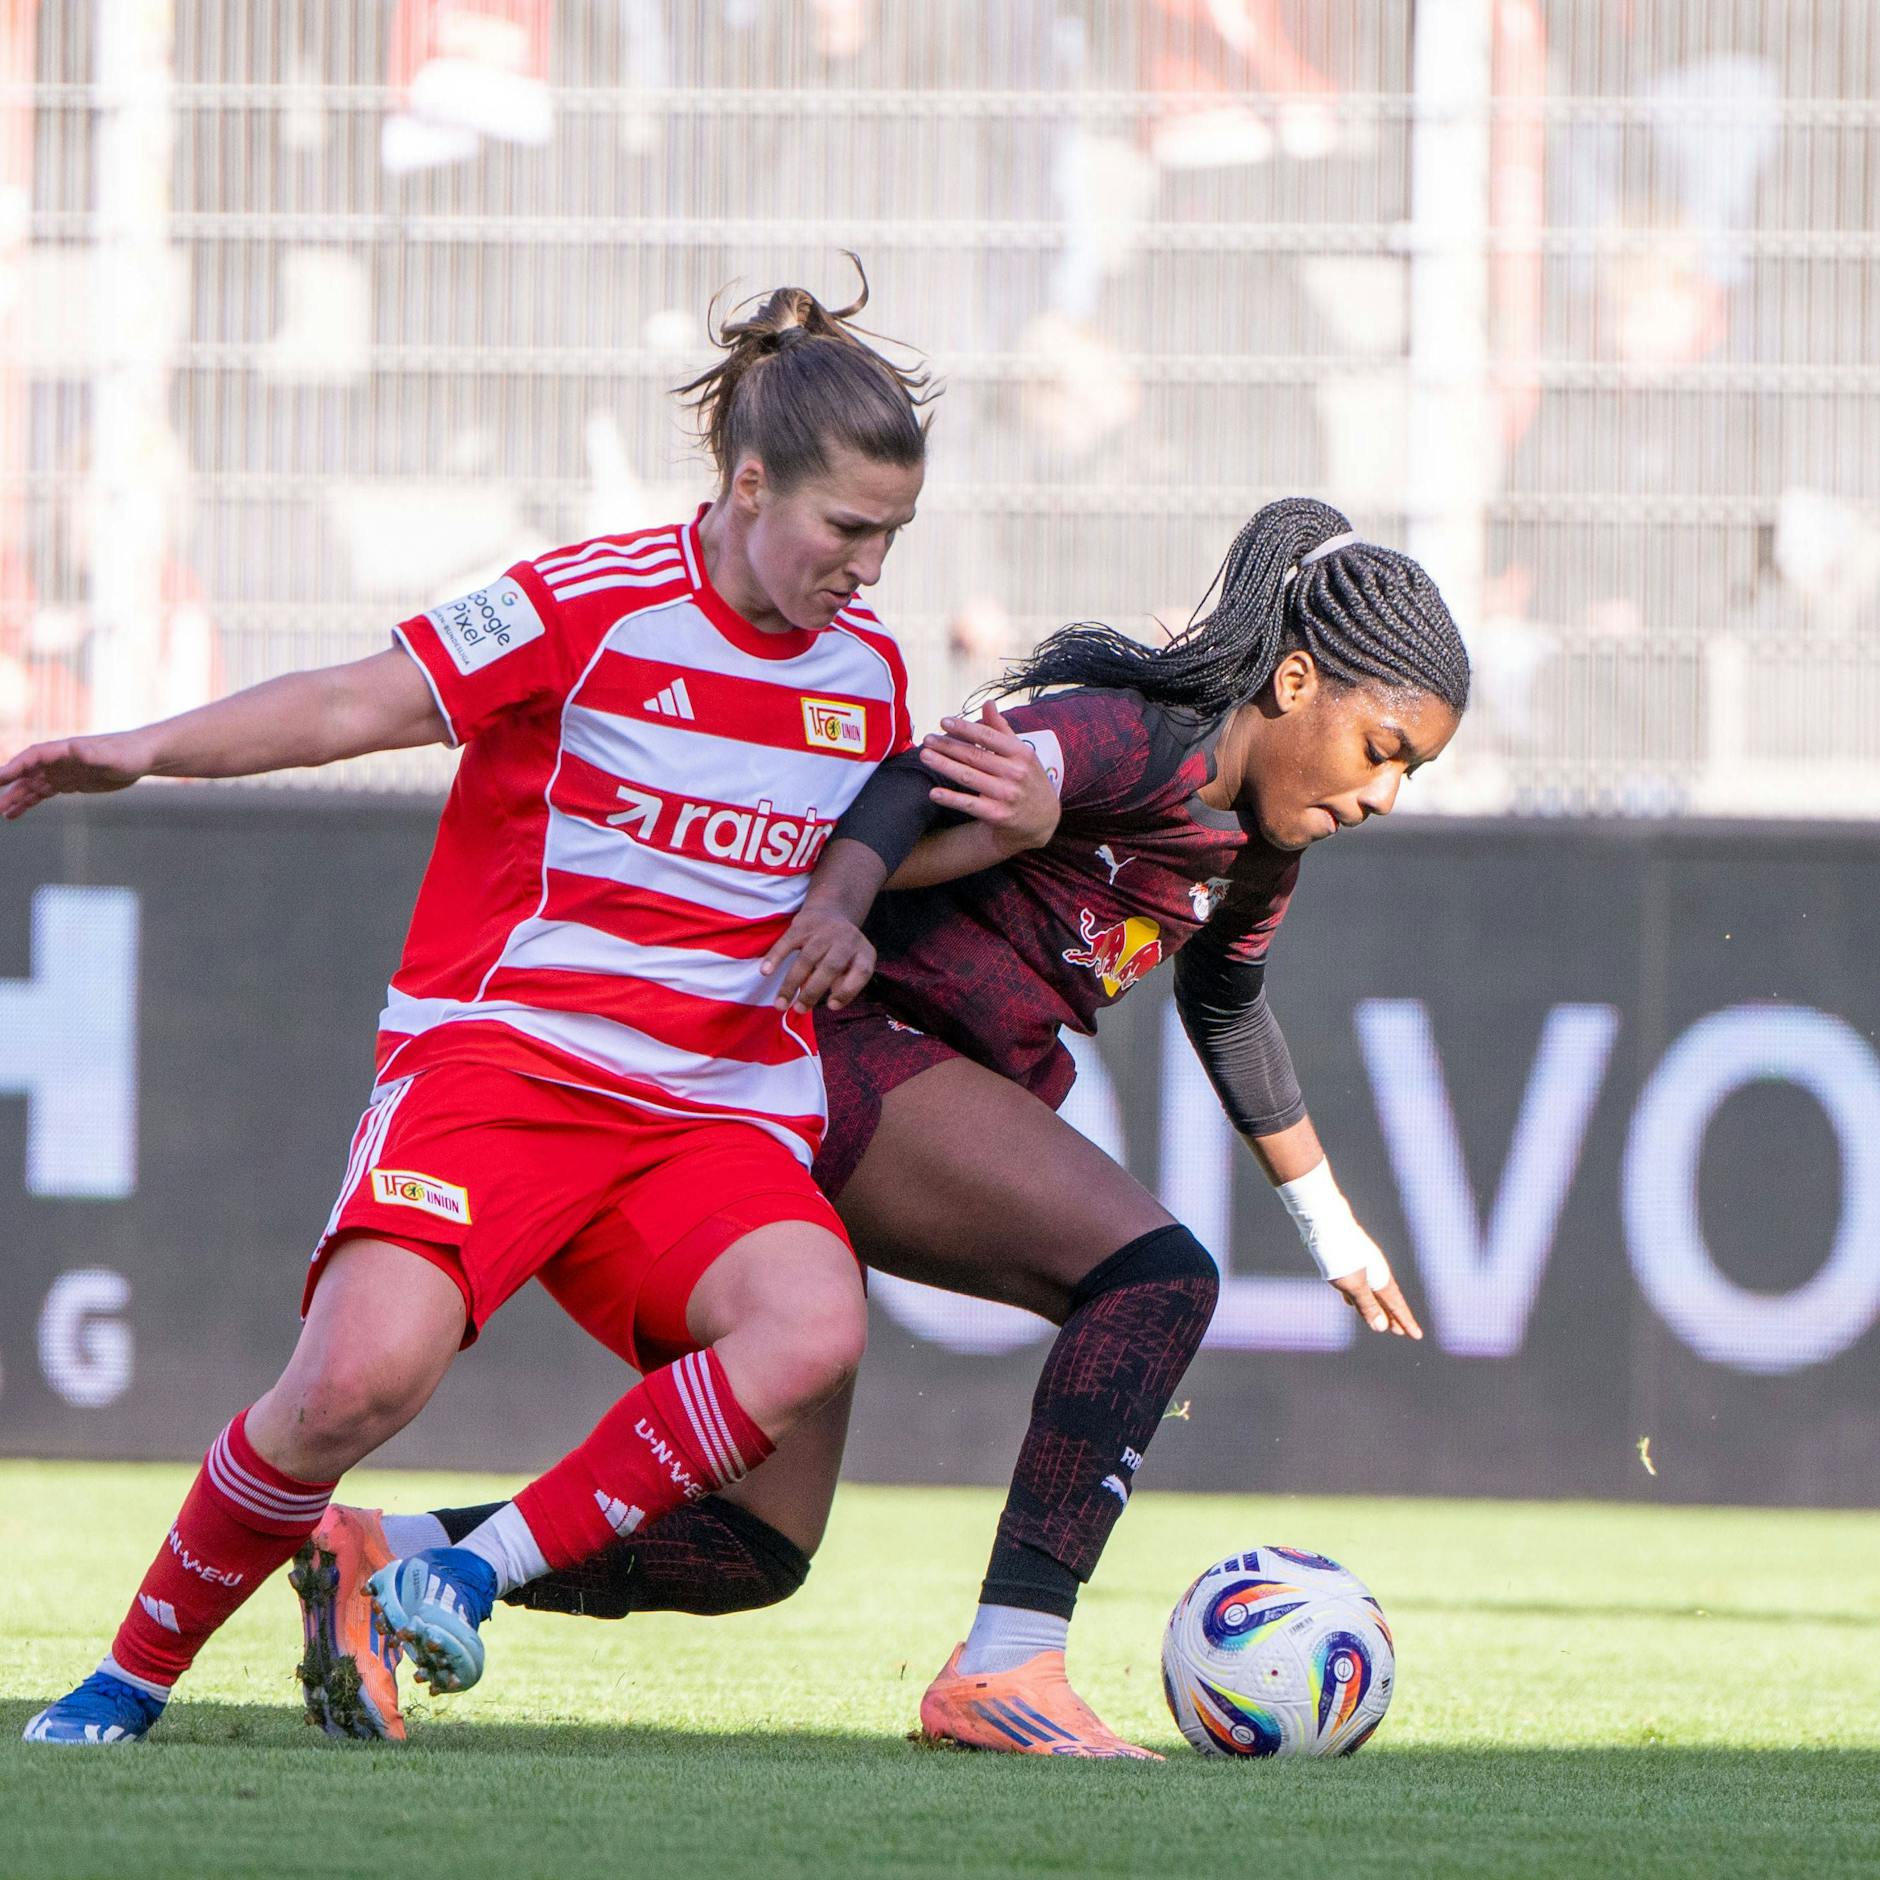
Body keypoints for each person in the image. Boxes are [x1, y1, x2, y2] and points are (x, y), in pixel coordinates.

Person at [13, 271, 1011, 1746]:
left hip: (709, 1107)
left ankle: (461, 1578)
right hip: (508, 1068)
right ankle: (129, 1677)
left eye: (892, 538)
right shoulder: (588, 602)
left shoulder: (861, 677)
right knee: (356, 1381)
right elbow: (359, 701)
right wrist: (139, 748)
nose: (867, 569)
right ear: (747, 485)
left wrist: (961, 851)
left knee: (812, 1321)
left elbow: (838, 847)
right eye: (848, 530)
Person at [348, 496, 1471, 1757]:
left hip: (872, 1071)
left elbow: (1227, 1000)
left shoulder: (1257, 848)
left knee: (750, 1546)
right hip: (834, 1042)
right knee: (1153, 1276)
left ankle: (387, 1554)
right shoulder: (1134, 740)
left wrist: (1332, 1225)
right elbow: (901, 777)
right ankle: (1009, 1662)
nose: (1385, 791)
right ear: (1297, 678)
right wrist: (854, 895)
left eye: (1410, 771)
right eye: (1380, 746)